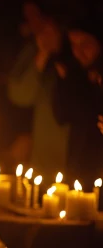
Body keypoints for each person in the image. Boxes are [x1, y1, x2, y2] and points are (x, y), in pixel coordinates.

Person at [8, 1, 67, 177]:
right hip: (45, 158)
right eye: (29, 17)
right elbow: (19, 95)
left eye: (37, 16)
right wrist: (42, 55)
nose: (35, 23)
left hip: (75, 151)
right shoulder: (32, 51)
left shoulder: (78, 47)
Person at [50, 17, 103, 190]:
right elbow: (62, 116)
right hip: (79, 169)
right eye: (73, 45)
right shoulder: (74, 73)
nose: (78, 52)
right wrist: (65, 82)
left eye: (85, 44)